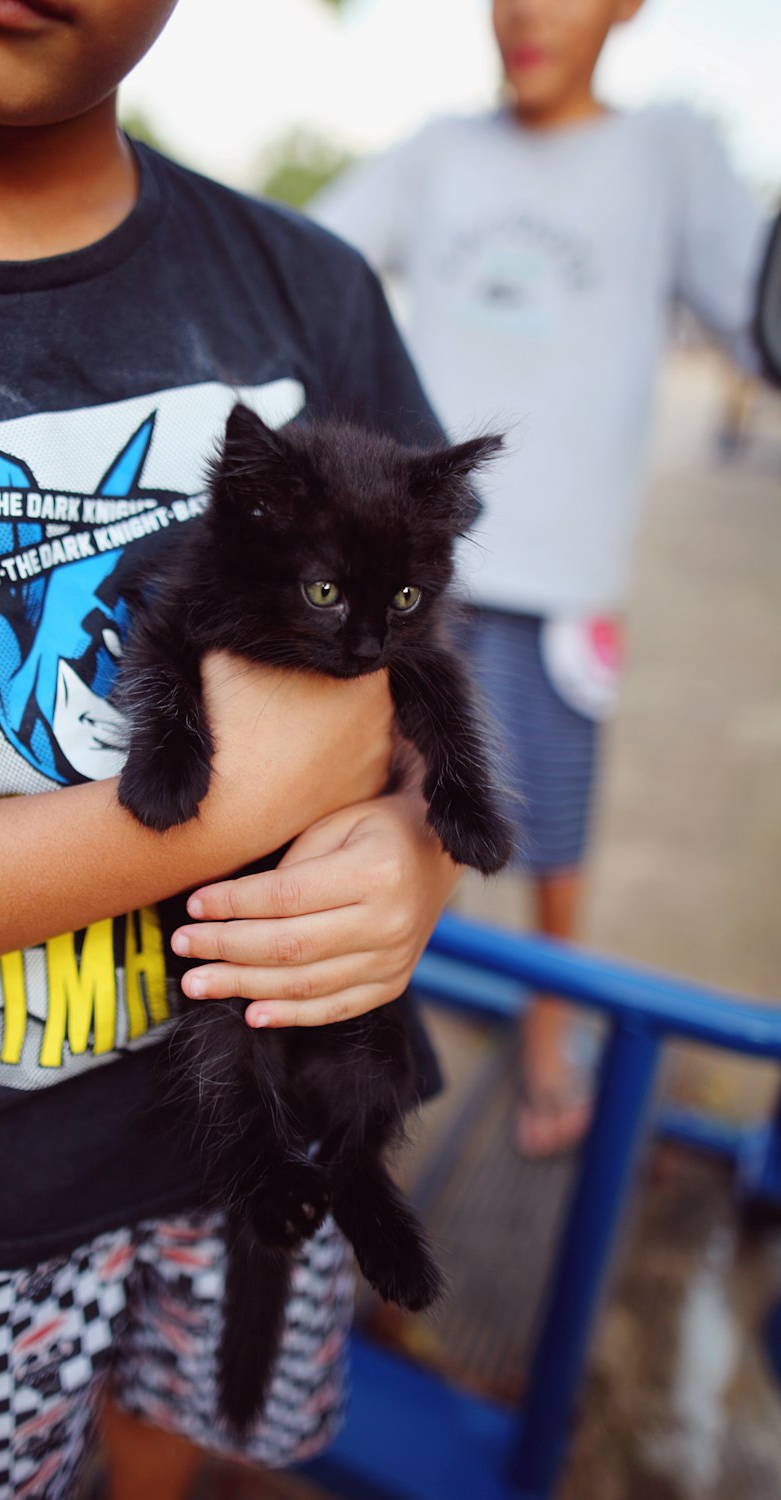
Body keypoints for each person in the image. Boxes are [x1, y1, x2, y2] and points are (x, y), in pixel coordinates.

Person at [0, 2, 462, 1496]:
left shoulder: (308, 286)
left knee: (187, 1436)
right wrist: (220, 818)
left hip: (278, 1124)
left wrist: (416, 848)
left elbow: (414, 683)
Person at [315, 0, 766, 1157]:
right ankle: (363, 1026)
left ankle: (550, 1033)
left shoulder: (665, 151)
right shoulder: (438, 152)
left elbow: (759, 321)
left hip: (562, 582)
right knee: (371, 807)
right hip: (417, 578)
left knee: (548, 830)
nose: (524, 12)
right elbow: (305, 257)